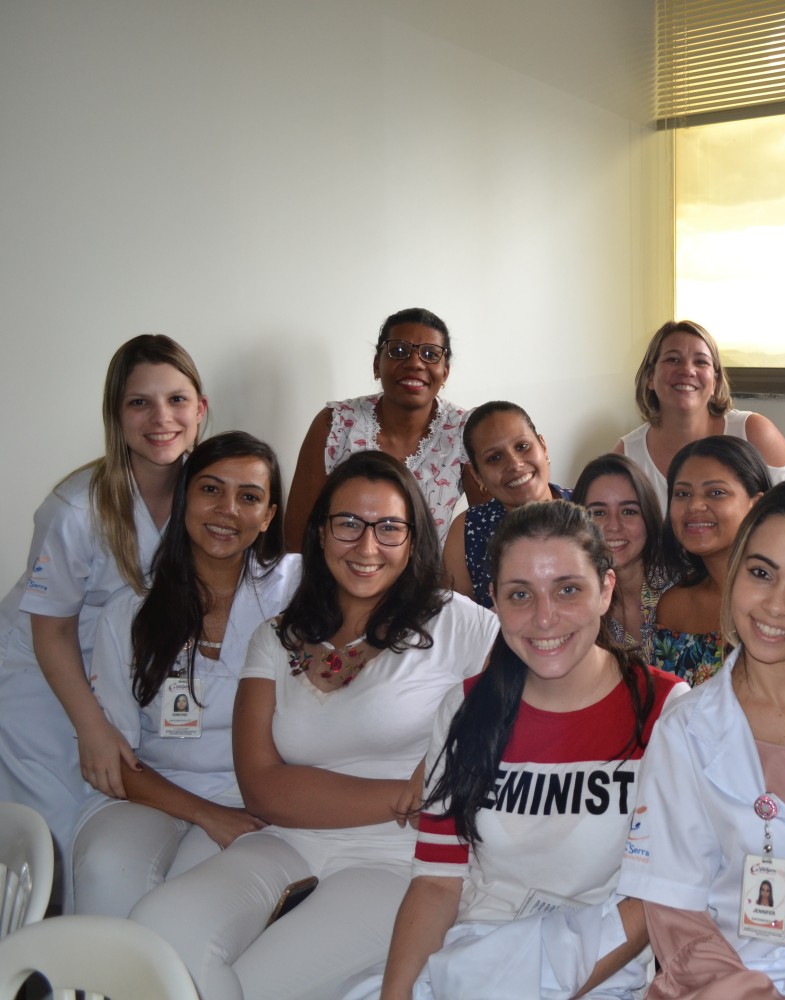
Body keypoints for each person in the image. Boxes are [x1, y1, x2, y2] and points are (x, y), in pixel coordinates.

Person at [130, 451, 499, 1000]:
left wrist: (438, 793)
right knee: (156, 930)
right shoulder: (277, 637)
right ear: (321, 533)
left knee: (257, 987)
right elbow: (262, 787)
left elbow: (517, 733)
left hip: (401, 860)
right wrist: (407, 793)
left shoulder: (461, 625)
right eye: (348, 523)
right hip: (287, 839)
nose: (367, 546)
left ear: (413, 538)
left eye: (389, 527)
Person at [359, 501, 684, 1000]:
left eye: (568, 589)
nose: (544, 618)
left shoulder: (664, 709)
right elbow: (437, 882)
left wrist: (542, 985)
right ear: (494, 600)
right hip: (471, 955)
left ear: (606, 590)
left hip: (596, 973)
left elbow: (655, 895)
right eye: (520, 594)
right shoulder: (466, 708)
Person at [619, 480, 785, 999]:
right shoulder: (685, 727)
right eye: (761, 574)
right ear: (734, 571)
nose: (776, 606)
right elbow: (674, 908)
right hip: (725, 982)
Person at [0, 334, 207, 884]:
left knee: (108, 832)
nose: (161, 418)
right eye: (139, 402)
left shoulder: (205, 494)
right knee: (51, 837)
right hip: (44, 681)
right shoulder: (75, 508)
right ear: (116, 415)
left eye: (177, 399)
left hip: (123, 678)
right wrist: (91, 726)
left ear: (200, 408)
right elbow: (51, 633)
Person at [73, 432, 300, 917]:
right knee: (106, 868)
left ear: (268, 517)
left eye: (249, 497)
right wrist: (205, 813)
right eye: (211, 489)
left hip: (255, 796)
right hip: (148, 792)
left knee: (185, 900)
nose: (227, 510)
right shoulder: (129, 612)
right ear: (183, 499)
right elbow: (115, 757)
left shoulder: (296, 594)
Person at [285, 307, 479, 552]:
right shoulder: (335, 424)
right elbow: (297, 536)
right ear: (377, 364)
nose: (415, 363)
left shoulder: (464, 431)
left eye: (430, 354)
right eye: (399, 351)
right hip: (342, 571)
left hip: (426, 575)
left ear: (445, 373)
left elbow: (487, 527)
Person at [615, 320, 785, 511]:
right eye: (673, 359)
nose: (687, 370)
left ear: (715, 383)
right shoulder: (626, 455)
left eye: (700, 362)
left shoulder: (754, 432)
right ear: (650, 377)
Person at [651, 436, 769, 686]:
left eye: (716, 492)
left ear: (756, 505)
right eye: (682, 493)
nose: (694, 505)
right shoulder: (675, 607)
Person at [442, 401, 571, 608]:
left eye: (522, 447)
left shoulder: (592, 508)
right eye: (494, 458)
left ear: (543, 446)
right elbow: (461, 620)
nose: (515, 464)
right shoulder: (468, 530)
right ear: (477, 475)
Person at [575, 453, 675, 650]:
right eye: (598, 513)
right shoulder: (574, 604)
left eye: (628, 511)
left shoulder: (682, 585)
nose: (614, 526)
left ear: (649, 516)